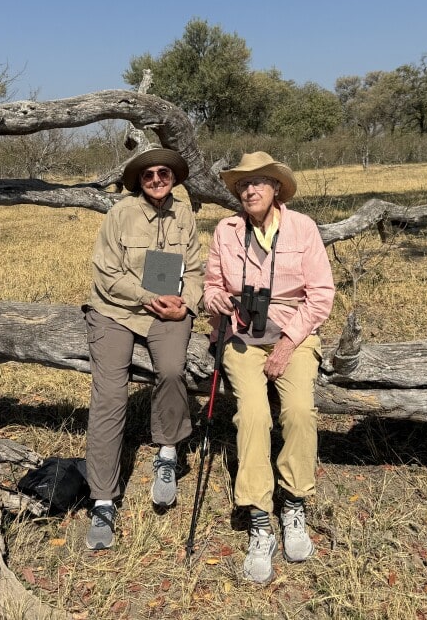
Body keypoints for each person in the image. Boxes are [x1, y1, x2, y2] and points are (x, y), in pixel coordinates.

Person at [203, 151, 335, 583]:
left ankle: (293, 503)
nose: (250, 190)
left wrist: (288, 344)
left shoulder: (303, 228)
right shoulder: (226, 231)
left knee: (298, 412)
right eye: (243, 184)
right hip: (240, 336)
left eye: (259, 182)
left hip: (294, 334)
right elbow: (211, 284)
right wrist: (215, 298)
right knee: (253, 415)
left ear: (276, 187)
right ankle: (260, 518)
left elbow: (321, 295)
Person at [83, 148, 203, 550]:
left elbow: (196, 270)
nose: (156, 179)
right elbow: (106, 274)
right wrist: (149, 297)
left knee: (171, 371)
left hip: (169, 311)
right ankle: (102, 500)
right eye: (148, 174)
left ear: (173, 177)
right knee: (110, 396)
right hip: (116, 311)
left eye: (163, 172)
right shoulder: (120, 213)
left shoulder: (185, 215)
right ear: (139, 180)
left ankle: (167, 452)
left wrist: (187, 303)